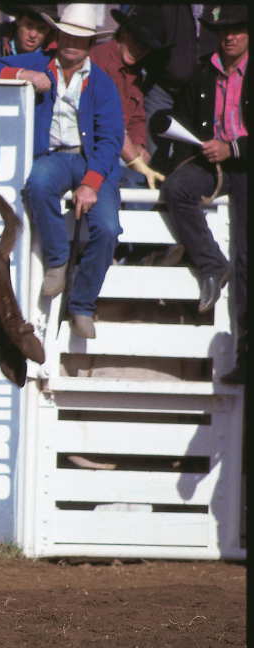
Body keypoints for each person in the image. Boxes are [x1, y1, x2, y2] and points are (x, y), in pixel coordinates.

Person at [0, 4, 125, 339]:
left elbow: (111, 139)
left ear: (90, 44)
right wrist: (22, 76)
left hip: (91, 161)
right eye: (67, 34)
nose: (72, 42)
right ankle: (57, 260)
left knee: (109, 228)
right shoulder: (38, 62)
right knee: (38, 184)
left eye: (80, 38)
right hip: (53, 156)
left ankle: (82, 305)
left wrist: (91, 183)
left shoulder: (102, 82)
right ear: (58, 34)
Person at [158, 5, 248, 384]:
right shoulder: (202, 71)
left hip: (246, 165)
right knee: (176, 188)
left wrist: (235, 149)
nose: (229, 37)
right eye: (223, 30)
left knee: (247, 257)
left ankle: (246, 356)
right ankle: (212, 263)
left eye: (238, 30)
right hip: (210, 161)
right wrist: (200, 147)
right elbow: (184, 119)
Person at [91, 6, 169, 189]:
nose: (140, 50)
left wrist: (140, 145)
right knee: (135, 181)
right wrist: (133, 155)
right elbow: (103, 121)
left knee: (156, 179)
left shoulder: (136, 73)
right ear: (124, 33)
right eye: (137, 41)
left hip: (122, 150)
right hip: (99, 147)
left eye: (146, 46)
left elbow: (137, 117)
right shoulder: (97, 61)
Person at [139, 5, 220, 174]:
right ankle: (147, 196)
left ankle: (181, 195)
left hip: (202, 92)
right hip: (162, 85)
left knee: (194, 154)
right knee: (152, 155)